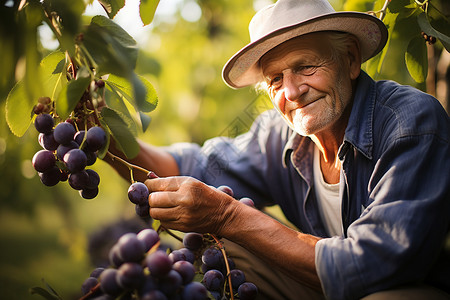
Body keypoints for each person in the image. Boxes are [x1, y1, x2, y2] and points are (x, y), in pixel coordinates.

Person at [105, 0, 450, 299]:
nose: (293, 91)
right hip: (328, 289)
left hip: (409, 289)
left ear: (350, 59)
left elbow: (375, 265)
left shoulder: (410, 123)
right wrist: (101, 134)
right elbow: (189, 170)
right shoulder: (277, 136)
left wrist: (230, 215)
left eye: (305, 67)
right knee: (222, 250)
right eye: (275, 79)